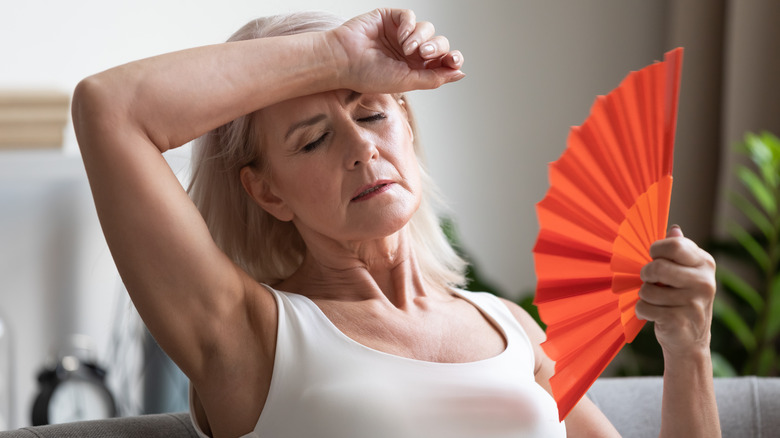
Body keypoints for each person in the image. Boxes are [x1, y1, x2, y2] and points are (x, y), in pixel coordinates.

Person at [72, 7, 721, 438]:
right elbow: (110, 109)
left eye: (374, 113)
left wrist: (687, 347)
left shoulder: (508, 326)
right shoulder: (251, 339)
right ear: (267, 192)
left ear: (406, 127)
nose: (361, 148)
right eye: (312, 139)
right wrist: (336, 55)